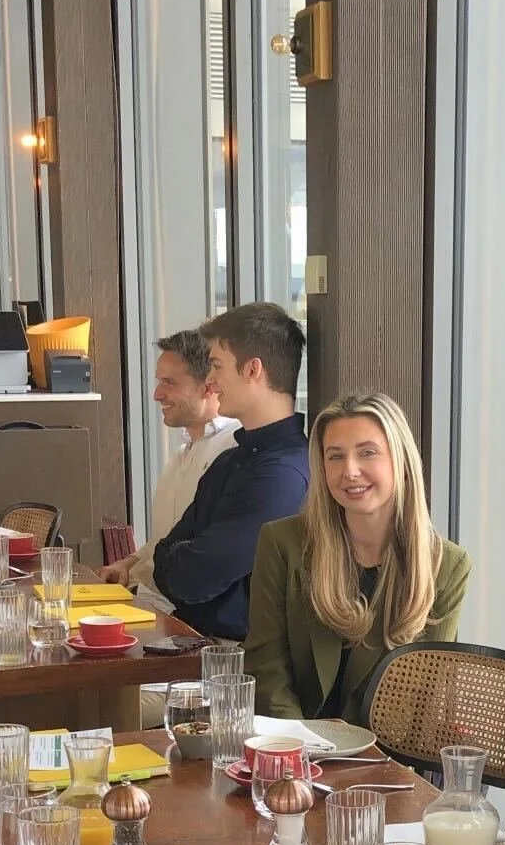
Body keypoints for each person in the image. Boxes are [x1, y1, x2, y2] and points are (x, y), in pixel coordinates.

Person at [243, 390, 470, 720]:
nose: (349, 471)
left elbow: (425, 696)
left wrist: (364, 763)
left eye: (367, 453)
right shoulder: (281, 542)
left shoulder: (446, 565)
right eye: (335, 456)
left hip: (385, 758)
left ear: (400, 460)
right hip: (293, 751)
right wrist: (300, 749)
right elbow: (266, 669)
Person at [151, 302, 309, 641]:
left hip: (240, 666)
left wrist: (179, 562)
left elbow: (193, 578)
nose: (210, 381)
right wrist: (177, 562)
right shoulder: (230, 460)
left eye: (216, 367)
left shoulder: (284, 473)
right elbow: (164, 557)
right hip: (195, 643)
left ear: (253, 370)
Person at [100, 329, 240, 591]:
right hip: (145, 597)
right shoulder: (180, 456)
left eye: (169, 383)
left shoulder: (233, 450)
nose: (157, 394)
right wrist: (128, 563)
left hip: (183, 613)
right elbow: (163, 540)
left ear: (210, 384)